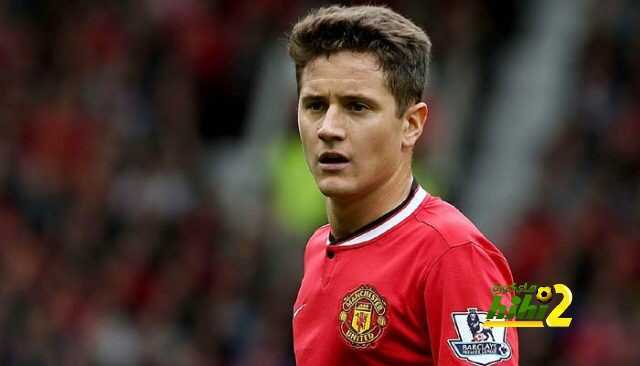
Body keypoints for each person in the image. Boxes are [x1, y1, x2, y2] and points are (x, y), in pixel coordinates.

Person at [288, 5, 518, 365]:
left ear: (411, 124)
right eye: (315, 105)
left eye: (357, 107)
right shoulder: (319, 247)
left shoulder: (454, 255)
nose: (328, 128)